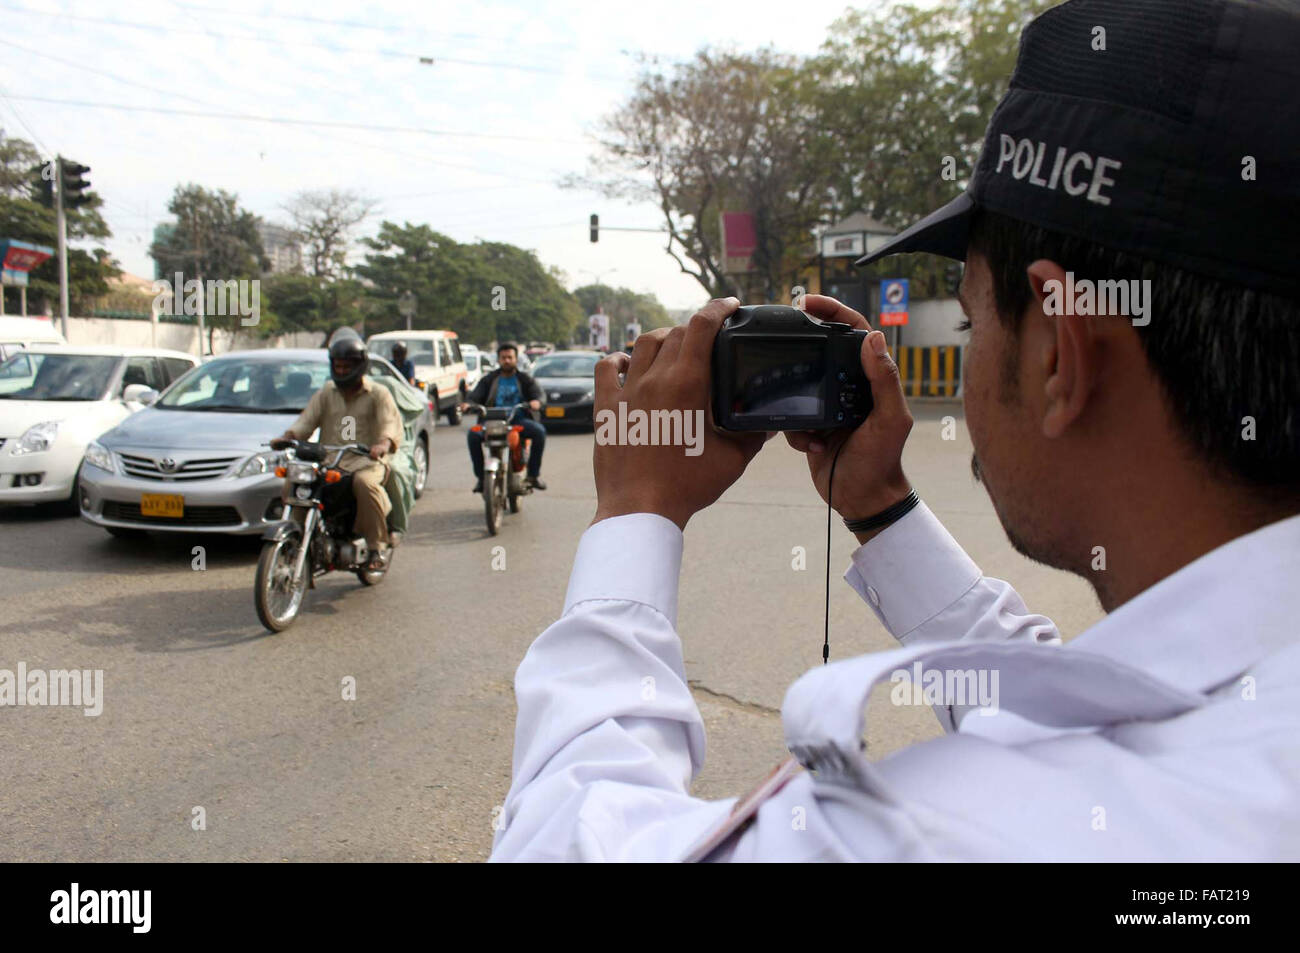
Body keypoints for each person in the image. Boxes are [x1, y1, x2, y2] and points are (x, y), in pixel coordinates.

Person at [490, 0, 1300, 861]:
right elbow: (1059, 703)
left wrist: (637, 509)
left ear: (1062, 355)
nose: (968, 349)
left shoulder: (943, 835)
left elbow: (559, 835)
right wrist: (882, 506)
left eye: (972, 324)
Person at [272, 334, 403, 571]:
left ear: (359, 366)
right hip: (331, 461)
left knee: (364, 485)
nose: (341, 371)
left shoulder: (378, 394)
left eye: (346, 366)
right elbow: (306, 422)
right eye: (337, 366)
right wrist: (289, 437)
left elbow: (389, 425)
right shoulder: (327, 393)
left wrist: (382, 444)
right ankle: (296, 537)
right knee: (295, 481)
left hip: (367, 462)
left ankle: (376, 547)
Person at [460, 342, 547, 492]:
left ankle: (533, 476)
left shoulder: (524, 379)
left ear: (515, 359)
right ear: (498, 360)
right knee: (473, 435)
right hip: (491, 421)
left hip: (518, 420)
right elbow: (474, 397)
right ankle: (481, 479)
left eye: (510, 357)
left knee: (539, 432)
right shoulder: (489, 379)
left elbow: (539, 395)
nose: (507, 360)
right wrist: (468, 404)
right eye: (503, 357)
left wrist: (537, 402)